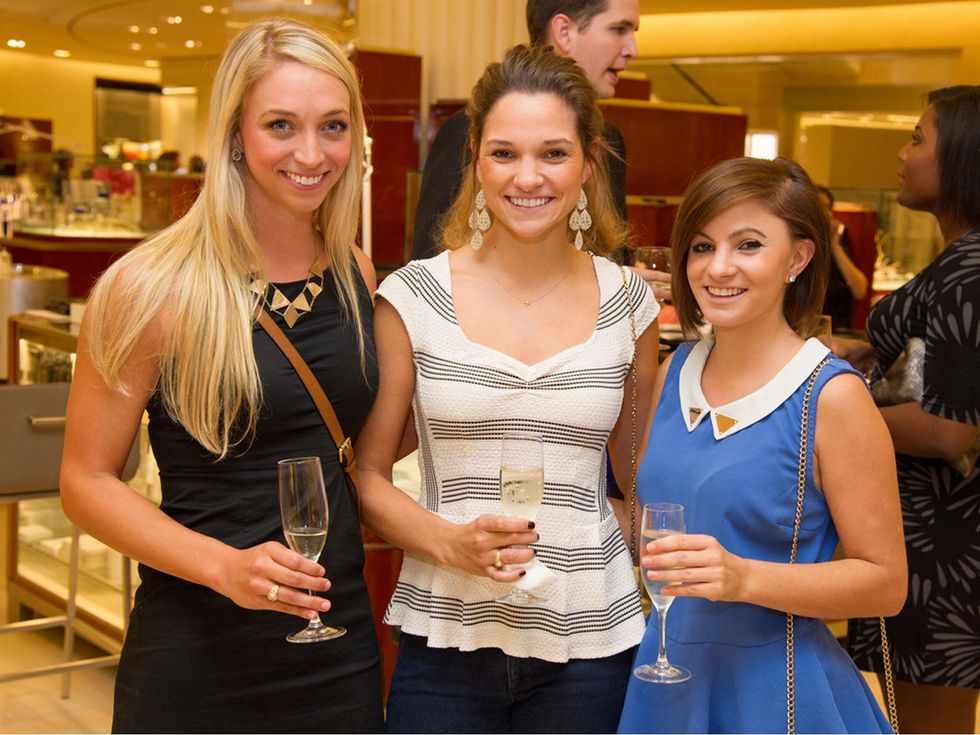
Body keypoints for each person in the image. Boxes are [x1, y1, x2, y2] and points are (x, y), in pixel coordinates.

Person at [59, 19, 384, 733]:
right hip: (197, 647)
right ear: (234, 134)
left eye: (333, 126)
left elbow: (356, 447)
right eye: (280, 125)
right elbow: (85, 481)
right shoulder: (149, 288)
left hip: (337, 645)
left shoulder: (355, 273)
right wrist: (222, 567)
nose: (311, 152)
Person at [358, 44, 661, 733]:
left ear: (588, 161)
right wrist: (445, 540)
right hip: (446, 635)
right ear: (475, 156)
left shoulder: (629, 303)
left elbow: (639, 479)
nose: (528, 177)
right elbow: (368, 477)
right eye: (504, 153)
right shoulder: (412, 297)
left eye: (553, 153)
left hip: (593, 641)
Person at [617, 157, 907, 734]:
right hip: (666, 678)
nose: (718, 267)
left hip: (778, 695)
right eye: (701, 246)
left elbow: (886, 583)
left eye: (748, 244)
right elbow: (643, 518)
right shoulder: (675, 370)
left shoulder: (831, 397)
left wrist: (743, 577)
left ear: (797, 258)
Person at [839, 86, 980, 735]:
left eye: (918, 138)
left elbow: (952, 425)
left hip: (945, 544)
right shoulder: (962, 258)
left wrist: (835, 412)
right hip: (935, 536)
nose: (902, 153)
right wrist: (862, 351)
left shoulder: (971, 266)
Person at [410, 0, 638, 261]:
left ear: (589, 158)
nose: (633, 49)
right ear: (563, 32)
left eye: (554, 153)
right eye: (619, 29)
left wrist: (616, 285)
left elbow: (613, 250)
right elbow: (428, 255)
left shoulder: (609, 141)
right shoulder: (463, 130)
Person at [815, 185, 868, 331]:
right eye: (818, 206)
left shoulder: (839, 241)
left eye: (828, 208)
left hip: (837, 330)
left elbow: (860, 290)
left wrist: (835, 246)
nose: (824, 213)